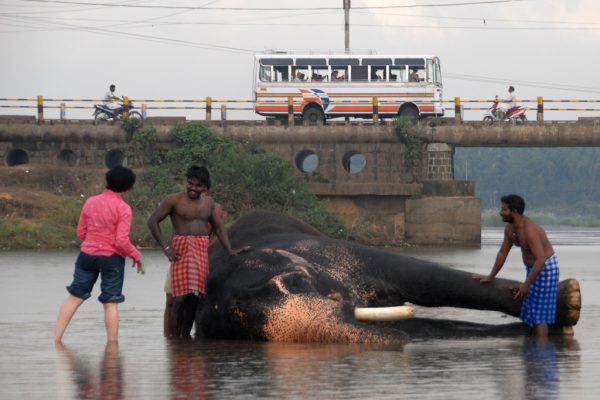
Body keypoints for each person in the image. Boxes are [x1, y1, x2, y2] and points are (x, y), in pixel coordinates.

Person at [147, 165, 246, 338]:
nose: (193, 188)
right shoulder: (174, 200)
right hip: (181, 249)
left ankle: (185, 337)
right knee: (179, 297)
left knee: (195, 297)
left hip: (200, 248)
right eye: (190, 184)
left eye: (198, 186)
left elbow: (218, 227)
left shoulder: (209, 203)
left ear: (204, 187)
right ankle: (175, 339)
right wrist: (166, 247)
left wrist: (230, 249)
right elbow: (152, 220)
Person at [54, 166, 144, 343]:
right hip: (111, 259)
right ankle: (112, 347)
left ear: (107, 181)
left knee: (74, 297)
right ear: (128, 188)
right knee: (110, 303)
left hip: (86, 255)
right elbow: (121, 241)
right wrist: (136, 255)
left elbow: (81, 233)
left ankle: (56, 339)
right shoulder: (123, 208)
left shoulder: (90, 201)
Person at [472, 194, 559, 339]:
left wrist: (526, 285)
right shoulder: (509, 229)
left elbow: (541, 260)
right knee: (529, 310)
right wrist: (490, 276)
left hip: (546, 268)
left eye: (504, 209)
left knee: (540, 315)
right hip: (532, 268)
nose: (500, 212)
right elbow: (502, 254)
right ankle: (533, 351)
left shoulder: (529, 230)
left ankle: (542, 355)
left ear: (515, 212)